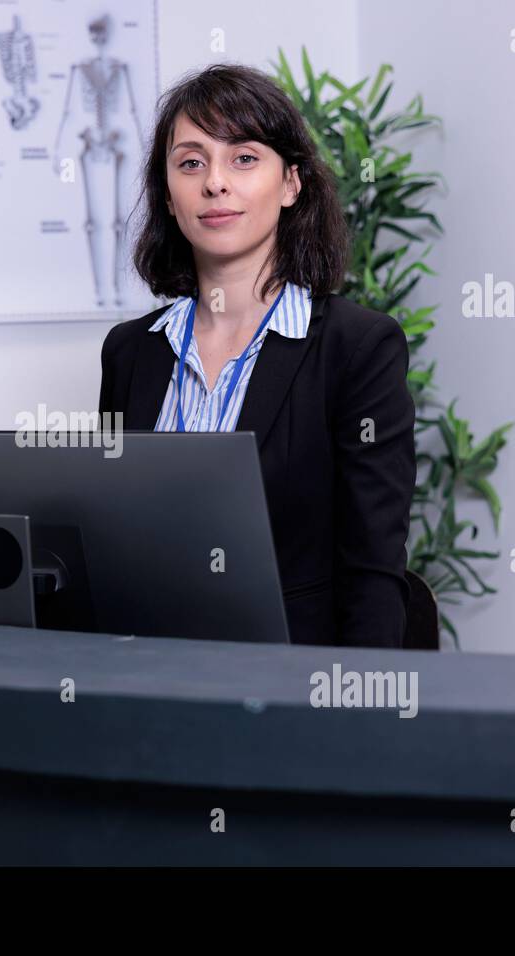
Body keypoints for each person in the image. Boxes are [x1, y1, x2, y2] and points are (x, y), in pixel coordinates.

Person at [99, 63, 417, 647]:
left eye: (244, 158)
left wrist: (357, 715)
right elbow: (110, 548)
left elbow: (373, 570)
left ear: (291, 183)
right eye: (191, 163)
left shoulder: (358, 349)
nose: (214, 183)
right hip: (145, 678)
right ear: (169, 196)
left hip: (290, 686)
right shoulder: (130, 353)